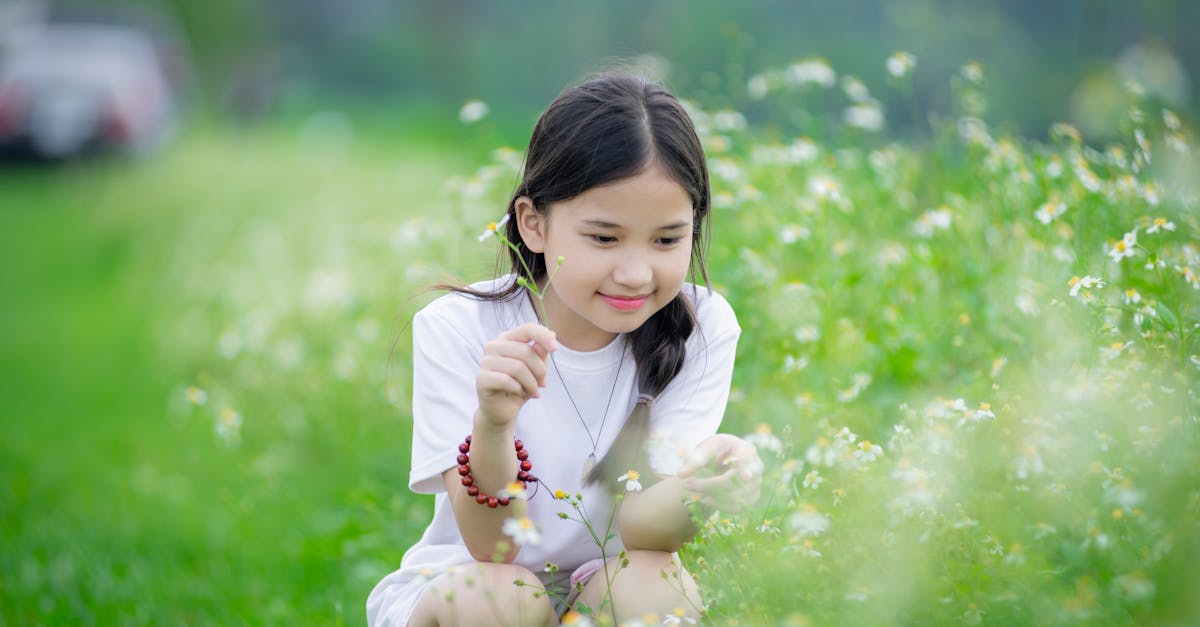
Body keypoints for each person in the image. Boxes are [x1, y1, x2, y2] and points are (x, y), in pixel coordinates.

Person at [367, 73, 763, 627]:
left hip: (603, 590)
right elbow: (496, 551)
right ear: (533, 224)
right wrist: (494, 424)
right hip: (472, 587)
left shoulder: (701, 325)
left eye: (668, 239)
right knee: (505, 599)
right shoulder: (460, 328)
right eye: (604, 238)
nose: (634, 273)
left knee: (656, 584)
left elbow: (643, 534)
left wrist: (706, 488)